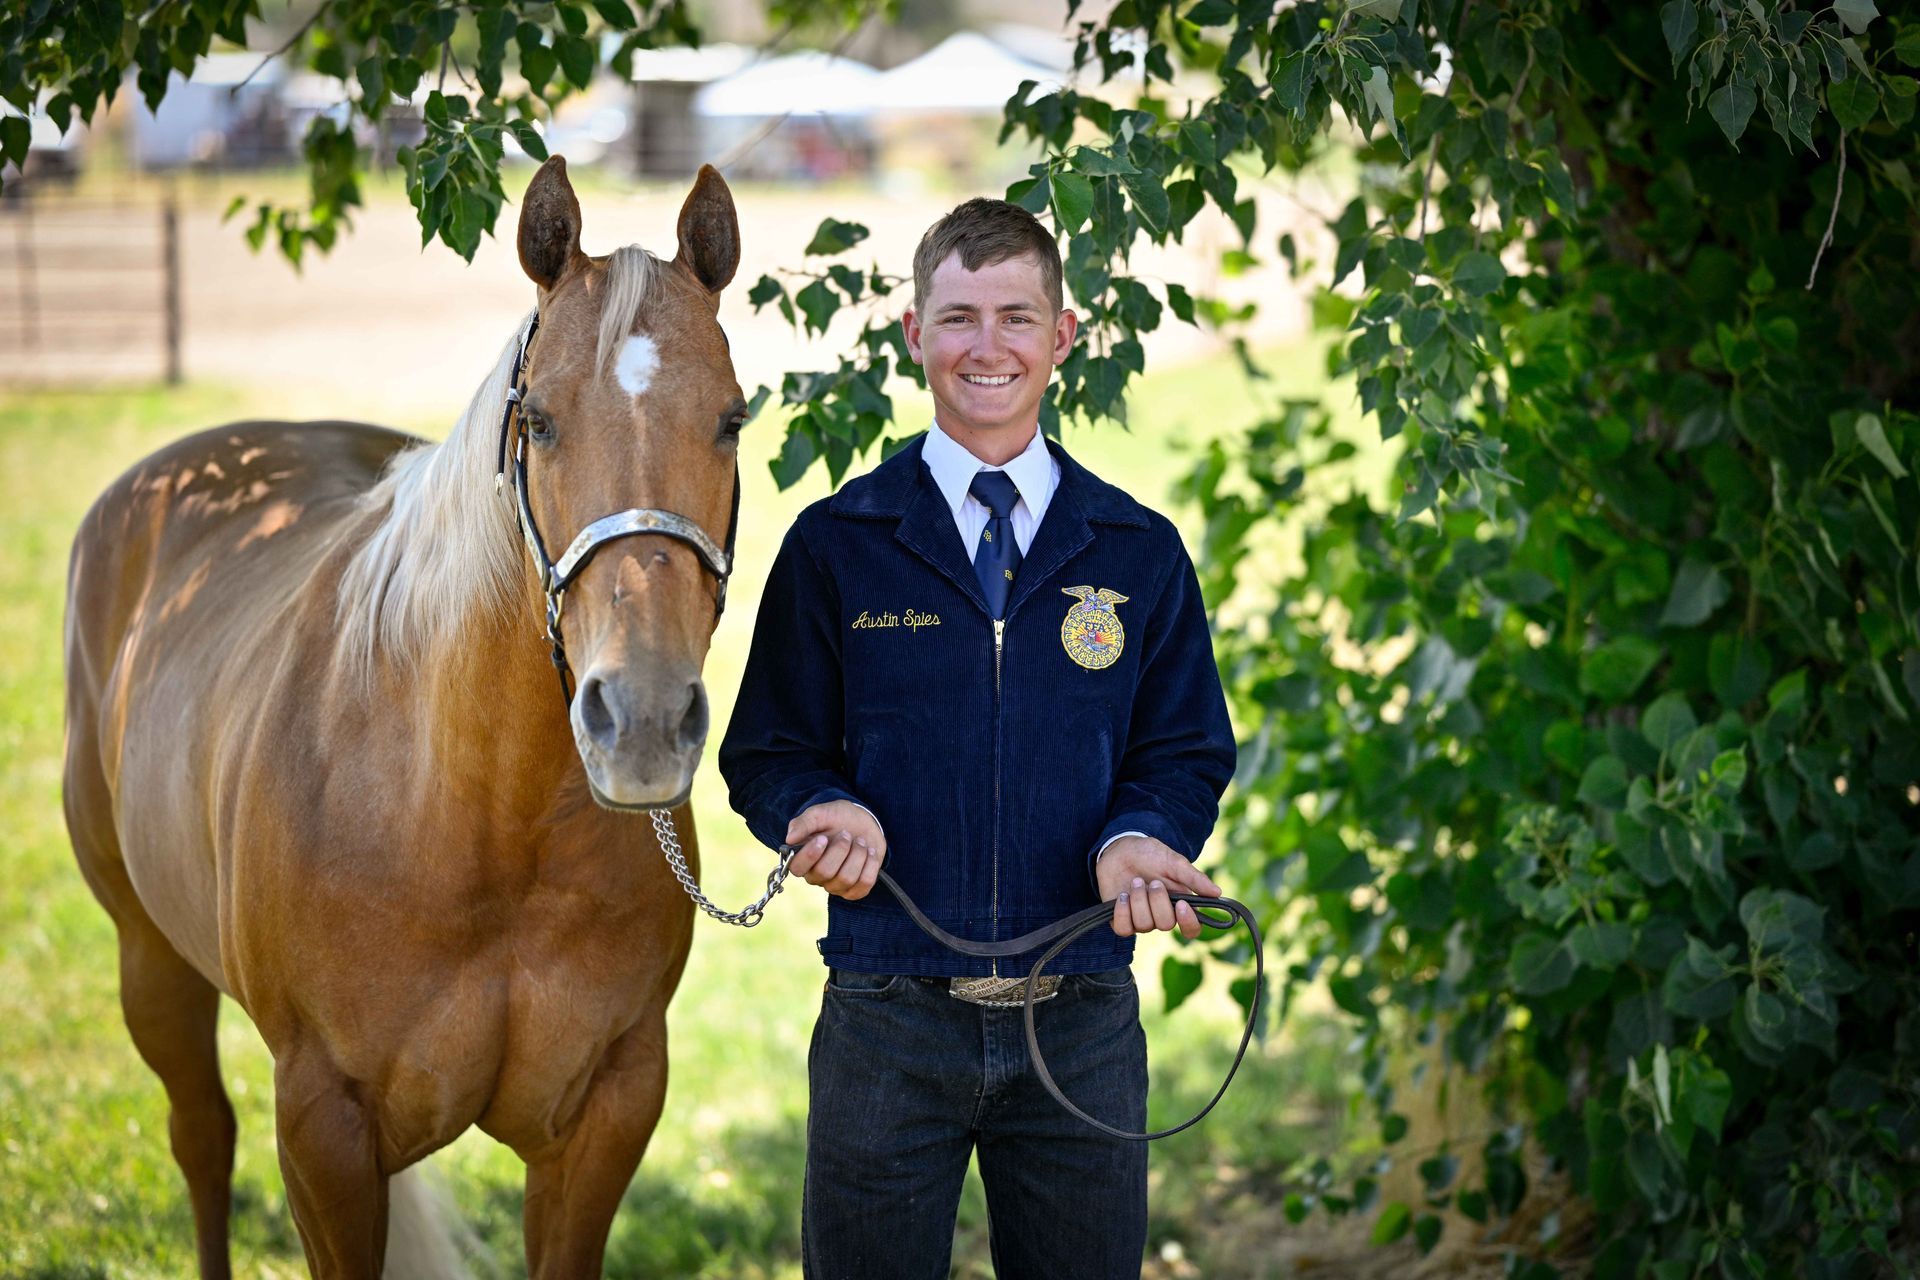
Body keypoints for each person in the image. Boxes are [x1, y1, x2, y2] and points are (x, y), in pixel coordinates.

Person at [718, 196, 1235, 1279]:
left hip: (1081, 1017)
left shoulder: (1137, 550)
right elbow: (768, 747)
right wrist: (820, 804)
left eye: (1015, 316)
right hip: (886, 1017)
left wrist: (1141, 833)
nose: (986, 346)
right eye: (957, 317)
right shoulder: (838, 544)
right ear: (914, 334)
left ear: (1064, 336)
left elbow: (1183, 748)